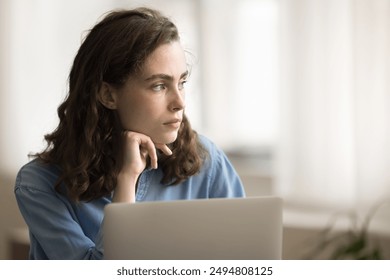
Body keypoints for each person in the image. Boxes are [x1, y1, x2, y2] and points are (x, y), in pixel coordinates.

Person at [14, 7, 245, 260]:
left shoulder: (207, 160)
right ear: (108, 95)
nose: (180, 102)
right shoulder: (38, 184)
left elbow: (247, 261)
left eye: (182, 83)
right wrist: (127, 180)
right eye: (159, 86)